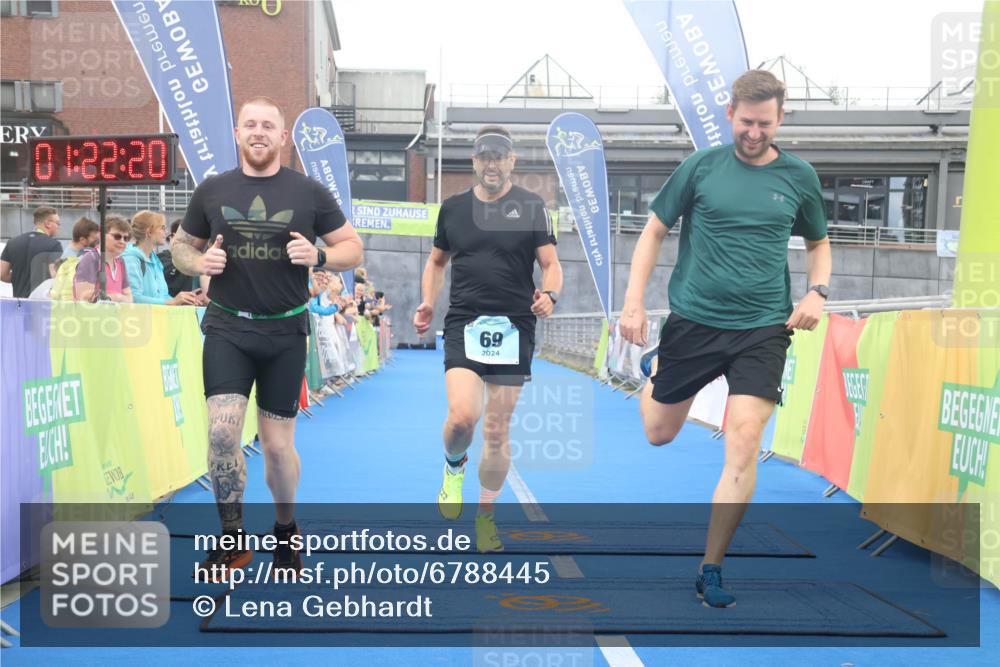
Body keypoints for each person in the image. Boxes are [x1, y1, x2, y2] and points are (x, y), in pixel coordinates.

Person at [619, 70, 832, 608]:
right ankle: (655, 368)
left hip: (763, 327)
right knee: (658, 432)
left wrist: (817, 293)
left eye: (764, 123)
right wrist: (634, 301)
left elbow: (819, 243)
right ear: (729, 114)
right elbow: (653, 232)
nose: (753, 132)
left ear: (780, 119)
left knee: (743, 442)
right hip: (694, 320)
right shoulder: (701, 167)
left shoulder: (799, 176)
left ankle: (711, 567)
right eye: (745, 121)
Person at [170, 95, 363, 578]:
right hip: (228, 326)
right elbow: (179, 247)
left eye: (268, 125)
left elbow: (352, 248)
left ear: (282, 137)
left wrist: (318, 257)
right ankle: (232, 539)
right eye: (249, 124)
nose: (258, 131)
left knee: (277, 447)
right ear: (237, 135)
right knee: (221, 433)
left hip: (285, 330)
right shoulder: (212, 190)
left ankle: (284, 527)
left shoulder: (309, 192)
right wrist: (199, 263)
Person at [413, 125, 563, 552]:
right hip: (464, 322)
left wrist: (550, 294)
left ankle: (485, 519)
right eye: (484, 156)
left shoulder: (533, 207)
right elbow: (436, 263)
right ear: (474, 162)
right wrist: (427, 302)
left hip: (515, 326)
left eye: (500, 156)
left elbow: (551, 264)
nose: (492, 163)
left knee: (496, 430)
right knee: (462, 417)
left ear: (512, 161)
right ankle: (453, 466)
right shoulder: (454, 209)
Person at [123, 210, 201, 306]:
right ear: (149, 232)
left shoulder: (155, 260)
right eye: (163, 228)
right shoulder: (131, 259)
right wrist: (172, 302)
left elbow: (163, 296)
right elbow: (133, 298)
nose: (166, 231)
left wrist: (183, 301)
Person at [1, 205, 63, 298]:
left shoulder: (12, 242)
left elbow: (2, 274)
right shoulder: (54, 245)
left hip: (18, 303)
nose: (59, 227)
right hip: (41, 304)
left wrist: (20, 277)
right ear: (47, 223)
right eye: (58, 223)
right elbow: (56, 276)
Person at [73, 215, 134, 303]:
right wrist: (117, 297)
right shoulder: (90, 259)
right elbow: (84, 296)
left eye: (126, 238)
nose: (122, 241)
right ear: (101, 235)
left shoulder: (120, 261)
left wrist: (116, 298)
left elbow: (129, 298)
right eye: (117, 236)